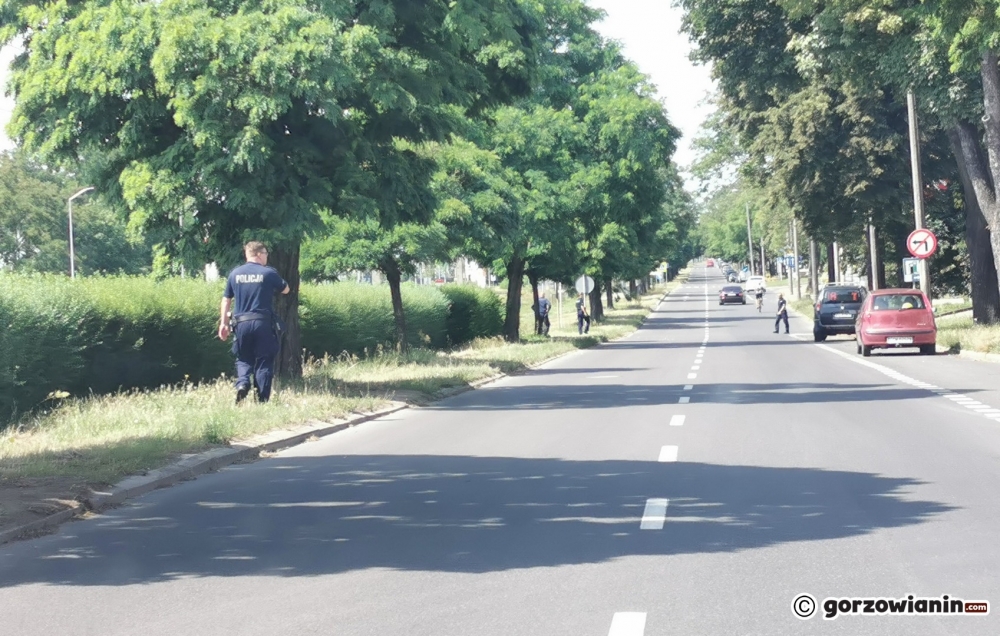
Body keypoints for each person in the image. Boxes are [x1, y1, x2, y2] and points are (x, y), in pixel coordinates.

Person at [217, 241, 290, 404]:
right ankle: (261, 400)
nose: (266, 257)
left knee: (243, 358)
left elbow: (226, 299)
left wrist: (223, 323)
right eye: (265, 254)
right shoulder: (268, 273)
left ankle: (242, 384)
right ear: (258, 254)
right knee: (264, 359)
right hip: (262, 323)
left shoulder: (235, 274)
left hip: (240, 323)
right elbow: (286, 289)